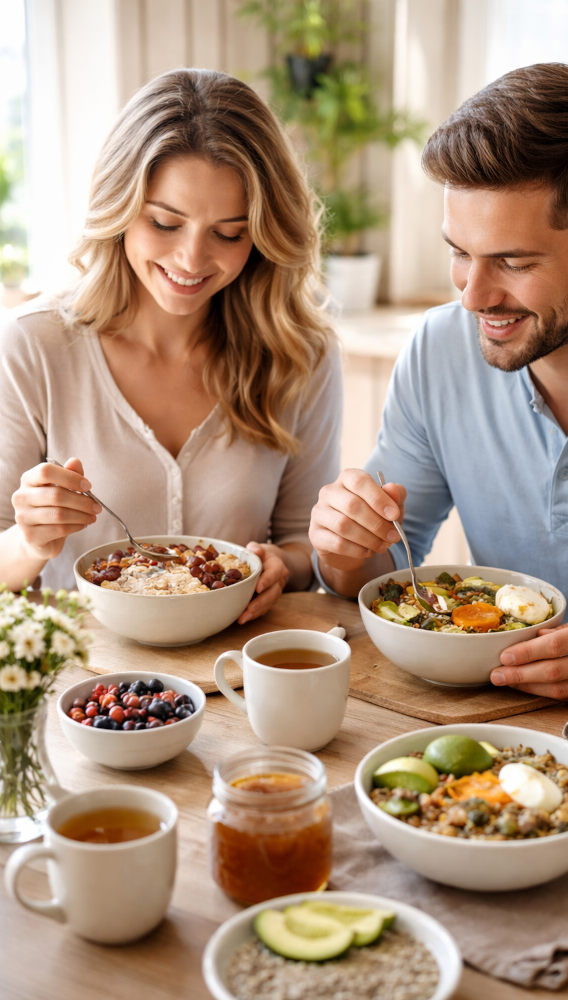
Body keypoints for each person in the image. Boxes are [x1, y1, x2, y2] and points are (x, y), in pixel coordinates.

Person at [309, 63, 568, 706]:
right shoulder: (439, 349)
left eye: (513, 261)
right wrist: (344, 548)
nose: (475, 296)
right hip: (486, 725)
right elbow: (382, 574)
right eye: (460, 252)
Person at [0, 69, 341, 623]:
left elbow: (309, 547)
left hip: (239, 679)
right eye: (164, 222)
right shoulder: (33, 346)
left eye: (229, 233)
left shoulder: (301, 354)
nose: (189, 260)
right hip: (90, 692)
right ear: (119, 207)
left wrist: (282, 564)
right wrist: (29, 542)